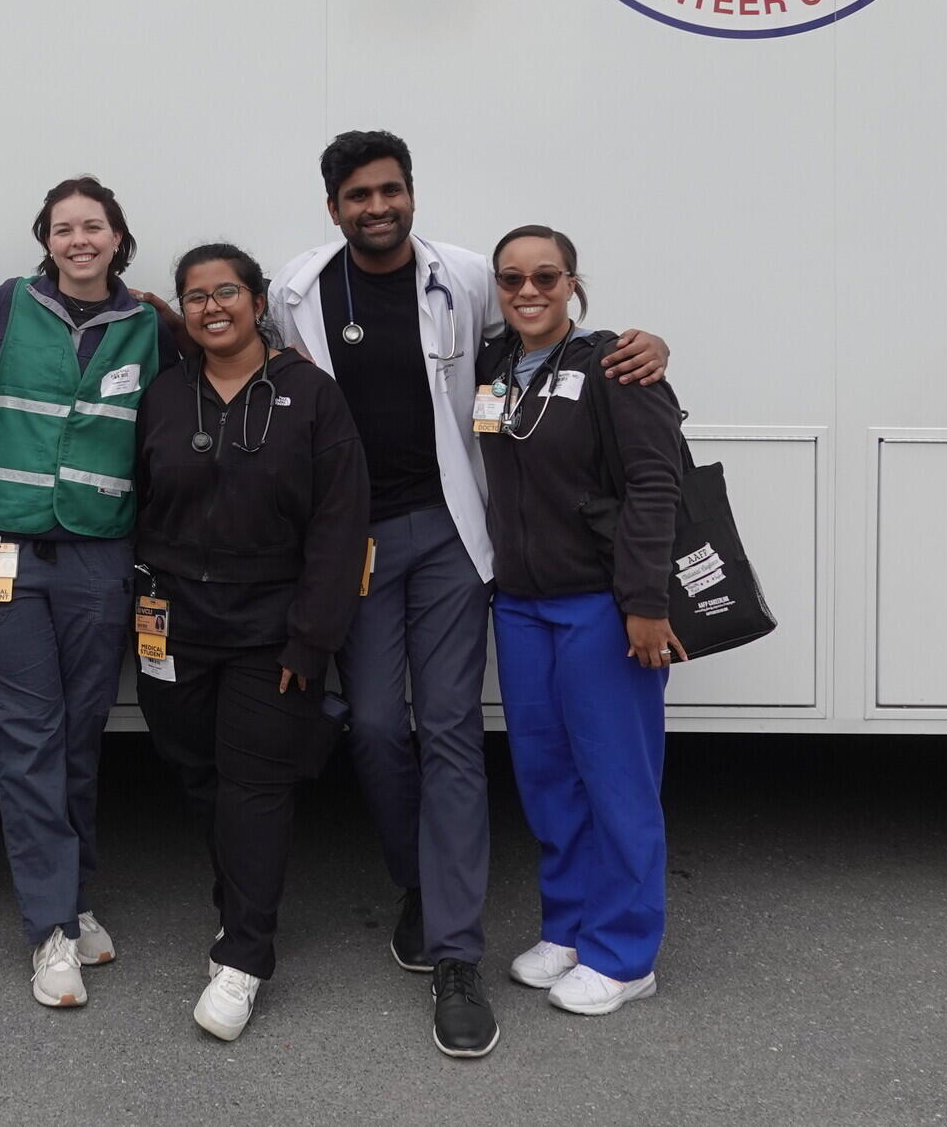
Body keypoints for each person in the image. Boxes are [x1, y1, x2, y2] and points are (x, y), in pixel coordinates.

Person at [270, 130, 666, 1060]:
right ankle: (423, 883)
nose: (379, 206)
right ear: (333, 206)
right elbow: (242, 349)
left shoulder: (466, 273)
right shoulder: (299, 289)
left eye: (393, 189)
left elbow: (553, 331)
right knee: (372, 725)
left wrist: (644, 339)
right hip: (357, 541)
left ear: (413, 194)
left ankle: (455, 951)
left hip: (449, 530)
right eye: (359, 194)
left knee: (448, 726)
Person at [133, 245, 370, 1042]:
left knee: (256, 784)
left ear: (258, 298)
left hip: (273, 627)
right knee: (197, 774)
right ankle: (236, 908)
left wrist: (312, 639)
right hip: (173, 623)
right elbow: (137, 503)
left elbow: (341, 529)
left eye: (226, 290)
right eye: (194, 297)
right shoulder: (164, 395)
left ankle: (246, 953)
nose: (211, 307)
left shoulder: (312, 395)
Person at [0, 175, 178, 1009]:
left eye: (94, 226)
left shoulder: (150, 323)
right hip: (2, 552)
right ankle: (49, 930)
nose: (79, 239)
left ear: (119, 237)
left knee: (81, 733)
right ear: (44, 239)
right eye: (63, 228)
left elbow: (236, 354)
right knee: (27, 737)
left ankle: (75, 895)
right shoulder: (7, 306)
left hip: (97, 556)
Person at [477, 226, 684, 1017]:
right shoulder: (495, 366)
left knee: (617, 781)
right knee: (548, 777)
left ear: (572, 281)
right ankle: (568, 926)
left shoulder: (617, 365)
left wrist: (645, 602)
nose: (528, 291)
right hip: (522, 604)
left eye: (545, 276)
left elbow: (655, 484)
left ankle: (627, 953)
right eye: (512, 278)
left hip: (601, 606)